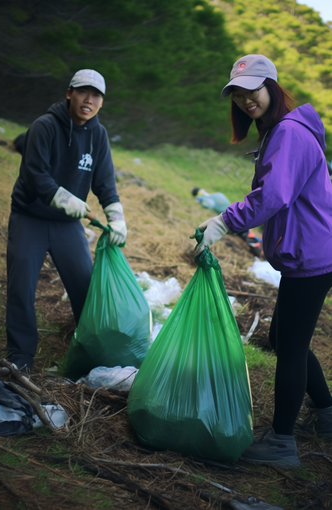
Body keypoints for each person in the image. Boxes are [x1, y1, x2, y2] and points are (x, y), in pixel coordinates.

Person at [192, 54, 332, 469]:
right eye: (236, 93)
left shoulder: (288, 132)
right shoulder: (285, 130)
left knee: (288, 347)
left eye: (252, 89)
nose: (245, 99)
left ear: (271, 85)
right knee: (286, 339)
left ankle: (282, 444)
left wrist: (222, 222)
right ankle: (326, 414)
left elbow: (273, 197)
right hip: (313, 252)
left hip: (315, 256)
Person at [6, 69, 127, 371]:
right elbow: (35, 174)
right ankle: (20, 356)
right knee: (21, 286)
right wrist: (65, 199)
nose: (89, 99)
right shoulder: (44, 126)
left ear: (101, 102)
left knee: (84, 287)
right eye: (83, 91)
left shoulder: (98, 134)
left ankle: (88, 351)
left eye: (96, 95)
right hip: (30, 216)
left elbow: (104, 183)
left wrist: (116, 217)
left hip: (66, 225)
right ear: (69, 93)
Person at [191, 187, 262, 257]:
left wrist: (200, 200)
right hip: (235, 214)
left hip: (232, 219)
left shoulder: (204, 198)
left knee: (245, 234)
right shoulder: (217, 194)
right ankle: (257, 244)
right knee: (245, 231)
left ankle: (259, 251)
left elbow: (209, 205)